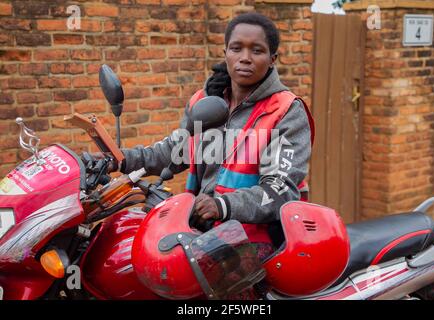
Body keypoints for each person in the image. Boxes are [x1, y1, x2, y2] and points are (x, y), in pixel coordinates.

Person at [100, 13, 313, 297]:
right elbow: (174, 151)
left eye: (257, 50)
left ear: (273, 58)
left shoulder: (285, 110)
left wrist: (222, 205)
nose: (245, 57)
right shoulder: (206, 101)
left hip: (254, 239)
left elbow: (280, 190)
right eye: (237, 48)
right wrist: (119, 159)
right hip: (201, 231)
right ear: (225, 52)